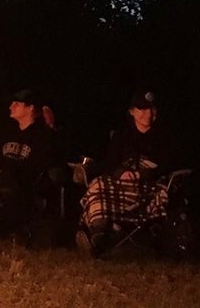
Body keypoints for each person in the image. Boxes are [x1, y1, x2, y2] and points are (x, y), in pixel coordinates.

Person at [77, 88, 180, 257]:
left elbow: (168, 165)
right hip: (121, 182)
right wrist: (120, 172)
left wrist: (142, 174)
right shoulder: (122, 135)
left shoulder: (164, 137)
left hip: (148, 185)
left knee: (160, 194)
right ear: (132, 112)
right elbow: (111, 162)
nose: (147, 114)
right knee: (99, 184)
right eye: (142, 109)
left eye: (152, 109)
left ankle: (107, 239)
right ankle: (98, 234)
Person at [0, 89, 56, 237]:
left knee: (10, 179)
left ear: (30, 108)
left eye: (17, 103)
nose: (11, 106)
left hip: (25, 185)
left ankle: (15, 227)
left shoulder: (40, 136)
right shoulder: (7, 134)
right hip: (1, 181)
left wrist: (5, 172)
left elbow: (38, 165)